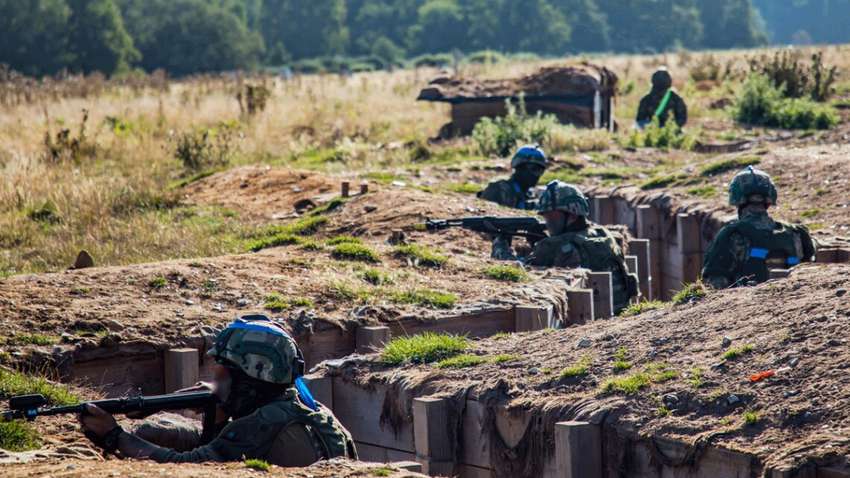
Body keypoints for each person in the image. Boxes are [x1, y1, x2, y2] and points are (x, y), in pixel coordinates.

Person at [79, 315, 357, 465]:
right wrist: (219, 412)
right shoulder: (311, 409)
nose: (216, 379)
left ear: (251, 377)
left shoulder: (262, 423)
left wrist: (115, 436)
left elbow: (190, 465)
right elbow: (221, 451)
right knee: (155, 431)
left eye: (224, 373)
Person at [518, 180, 638, 314]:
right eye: (546, 216)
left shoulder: (552, 245)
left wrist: (504, 249)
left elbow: (522, 275)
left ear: (573, 215)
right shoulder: (604, 234)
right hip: (621, 313)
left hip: (587, 319)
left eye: (553, 216)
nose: (548, 222)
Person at [702, 167, 816, 289]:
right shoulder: (796, 233)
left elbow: (715, 280)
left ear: (736, 199)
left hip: (748, 298)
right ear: (770, 198)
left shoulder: (732, 234)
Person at [478, 144, 548, 210]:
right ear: (520, 168)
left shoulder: (531, 194)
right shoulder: (499, 189)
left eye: (540, 170)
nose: (536, 175)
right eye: (534, 169)